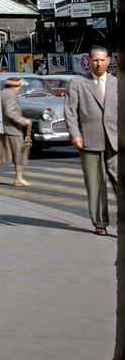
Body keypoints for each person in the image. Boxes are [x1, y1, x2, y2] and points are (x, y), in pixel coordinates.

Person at [64, 46, 117, 236]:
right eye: (95, 60)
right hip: (89, 139)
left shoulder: (116, 83)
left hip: (116, 141)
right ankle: (100, 223)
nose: (99, 63)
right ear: (89, 60)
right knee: (95, 185)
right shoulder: (78, 82)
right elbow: (70, 111)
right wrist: (75, 134)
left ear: (109, 60)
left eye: (102, 60)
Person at [0, 77, 32, 187]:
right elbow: (10, 112)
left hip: (2, 128)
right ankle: (18, 179)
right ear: (12, 86)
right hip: (12, 129)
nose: (20, 88)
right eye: (18, 86)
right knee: (19, 153)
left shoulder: (3, 93)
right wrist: (24, 121)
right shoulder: (10, 95)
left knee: (1, 154)